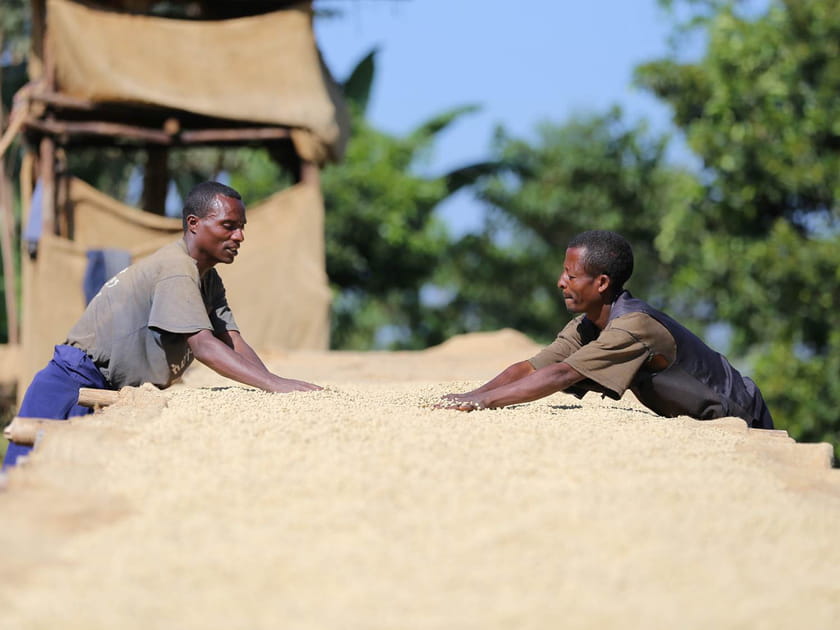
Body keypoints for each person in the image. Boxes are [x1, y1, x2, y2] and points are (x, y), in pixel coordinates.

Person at [3, 181, 321, 469]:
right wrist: (275, 386)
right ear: (194, 224)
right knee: (26, 491)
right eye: (228, 226)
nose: (239, 236)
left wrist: (276, 382)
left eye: (241, 227)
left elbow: (232, 340)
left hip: (105, 388)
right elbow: (205, 346)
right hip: (71, 387)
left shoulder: (207, 278)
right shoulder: (177, 269)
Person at [439, 230, 773, 429]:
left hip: (742, 415)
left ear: (600, 283)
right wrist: (473, 395)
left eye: (571, 276)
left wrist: (485, 403)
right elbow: (531, 368)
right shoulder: (589, 325)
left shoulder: (633, 327)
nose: (561, 283)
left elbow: (560, 376)